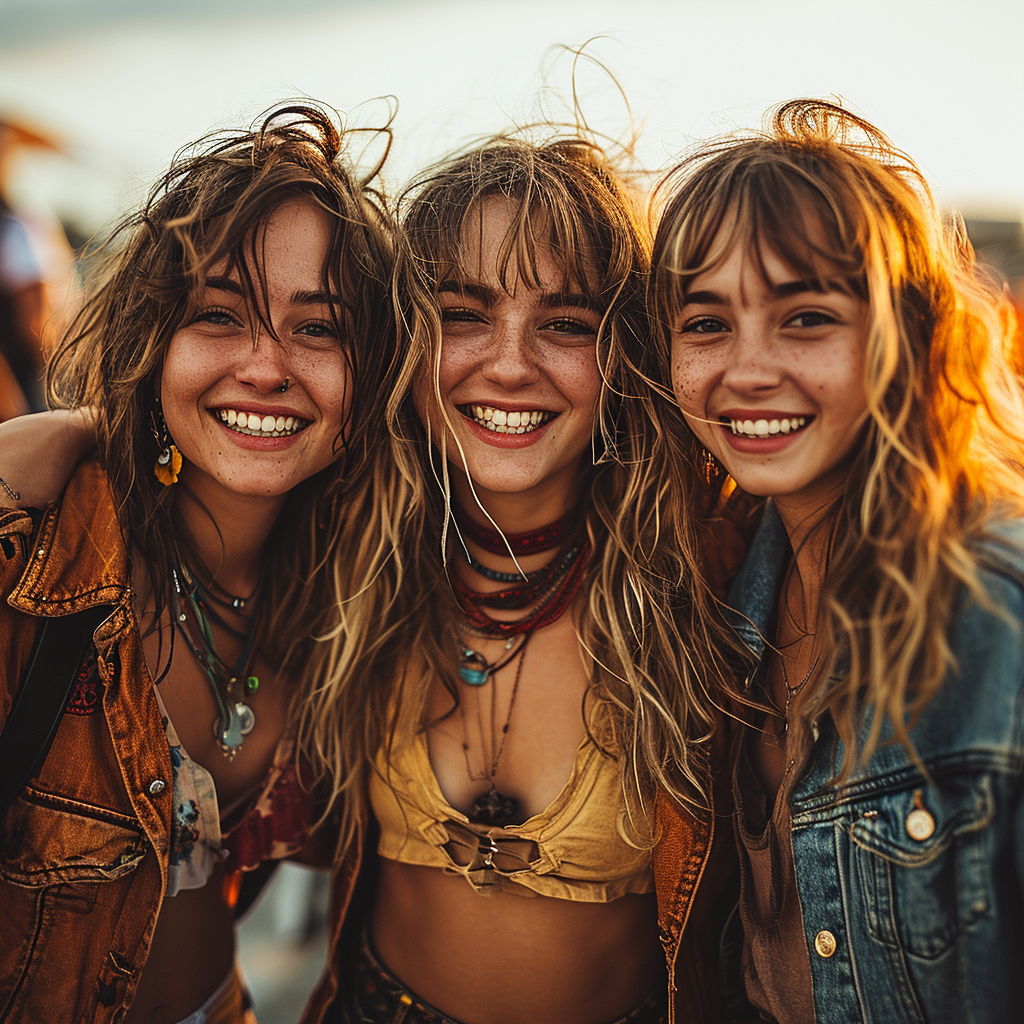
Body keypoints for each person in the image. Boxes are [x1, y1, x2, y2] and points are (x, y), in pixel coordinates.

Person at [295, 130, 740, 1024]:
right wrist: (67, 436)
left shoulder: (709, 573)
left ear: (625, 360)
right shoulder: (345, 547)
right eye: (463, 314)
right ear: (405, 341)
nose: (508, 362)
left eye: (566, 324)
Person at [0, 104, 400, 1024]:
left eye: (319, 328)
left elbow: (307, 897)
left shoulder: (361, 593)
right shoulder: (43, 542)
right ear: (154, 340)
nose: (265, 366)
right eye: (220, 315)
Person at [644, 99, 1024, 1022]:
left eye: (805, 317)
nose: (748, 368)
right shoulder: (728, 594)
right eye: (705, 323)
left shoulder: (994, 624)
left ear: (903, 337)